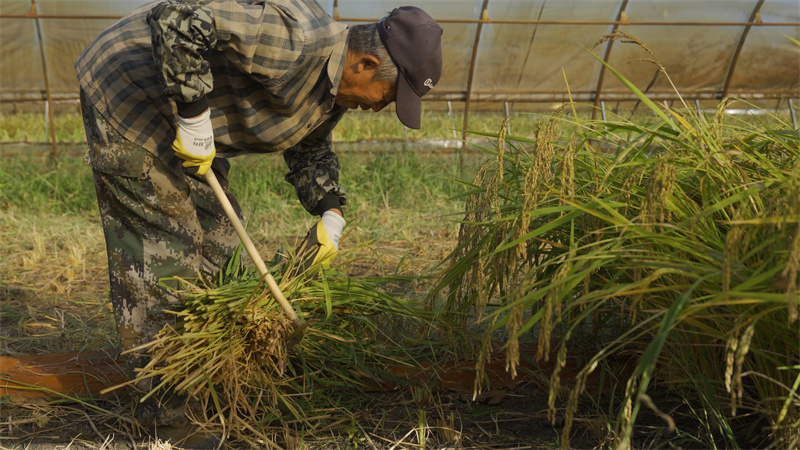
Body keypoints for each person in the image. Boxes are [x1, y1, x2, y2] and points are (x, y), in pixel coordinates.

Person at [75, 0, 442, 445]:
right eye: (388, 95)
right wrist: (193, 118)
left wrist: (331, 210)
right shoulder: (294, 37)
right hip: (131, 97)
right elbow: (176, 17)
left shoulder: (336, 90)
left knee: (223, 256)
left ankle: (211, 380)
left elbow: (309, 146)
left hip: (190, 124)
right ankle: (166, 422)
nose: (382, 107)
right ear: (365, 63)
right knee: (165, 258)